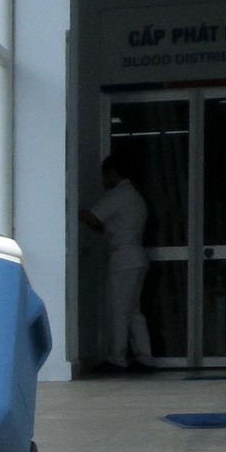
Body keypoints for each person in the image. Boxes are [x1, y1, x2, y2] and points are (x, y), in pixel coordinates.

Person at [80, 153, 153, 372]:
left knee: (118, 310)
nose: (104, 181)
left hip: (123, 258)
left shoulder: (119, 195)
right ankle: (144, 357)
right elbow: (110, 227)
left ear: (113, 174)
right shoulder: (135, 196)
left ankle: (117, 358)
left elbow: (93, 217)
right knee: (133, 312)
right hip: (136, 257)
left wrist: (72, 213)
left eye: (105, 176)